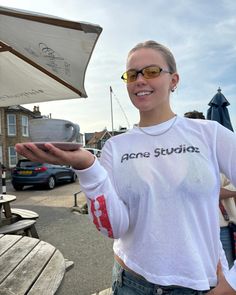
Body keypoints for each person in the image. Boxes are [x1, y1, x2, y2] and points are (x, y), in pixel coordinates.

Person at [15, 40, 236, 295]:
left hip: (200, 285)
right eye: (132, 74)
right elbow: (115, 228)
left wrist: (231, 283)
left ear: (174, 80)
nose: (140, 80)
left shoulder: (210, 134)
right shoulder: (115, 147)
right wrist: (88, 167)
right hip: (131, 283)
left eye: (152, 71)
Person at [184, 111, 236, 268]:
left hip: (224, 228)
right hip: (195, 230)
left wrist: (212, 191)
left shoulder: (219, 155)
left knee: (226, 273)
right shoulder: (182, 162)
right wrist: (219, 191)